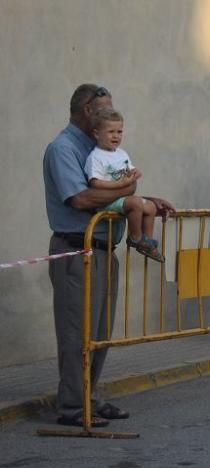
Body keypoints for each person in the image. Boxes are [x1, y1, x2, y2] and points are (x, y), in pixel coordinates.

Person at [43, 84, 175, 428]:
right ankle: (72, 407)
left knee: (99, 331)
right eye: (104, 110)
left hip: (103, 248)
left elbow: (114, 192)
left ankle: (90, 397)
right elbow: (81, 199)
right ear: (88, 111)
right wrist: (129, 190)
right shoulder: (64, 148)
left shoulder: (99, 147)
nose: (110, 119)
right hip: (77, 249)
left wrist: (143, 201)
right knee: (77, 333)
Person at [84, 108, 163, 263]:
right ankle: (135, 237)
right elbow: (95, 182)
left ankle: (146, 240)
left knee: (151, 206)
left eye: (119, 132)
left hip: (122, 198)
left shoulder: (121, 153)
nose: (116, 136)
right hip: (107, 201)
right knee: (135, 203)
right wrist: (120, 185)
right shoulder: (95, 157)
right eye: (111, 131)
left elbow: (129, 169)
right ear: (96, 134)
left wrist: (135, 172)